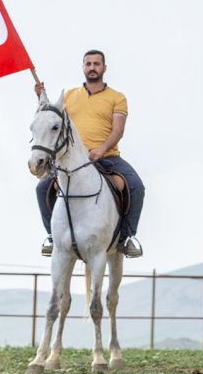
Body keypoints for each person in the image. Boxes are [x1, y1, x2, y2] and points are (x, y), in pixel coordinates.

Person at [35, 49, 146, 258]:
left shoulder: (117, 98)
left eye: (96, 64)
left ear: (104, 68)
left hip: (108, 156)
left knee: (136, 186)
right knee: (42, 188)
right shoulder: (68, 96)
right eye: (88, 64)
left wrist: (101, 150)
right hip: (73, 159)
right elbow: (51, 118)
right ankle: (52, 237)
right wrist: (41, 97)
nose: (92, 68)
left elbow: (118, 130)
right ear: (83, 67)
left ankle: (128, 237)